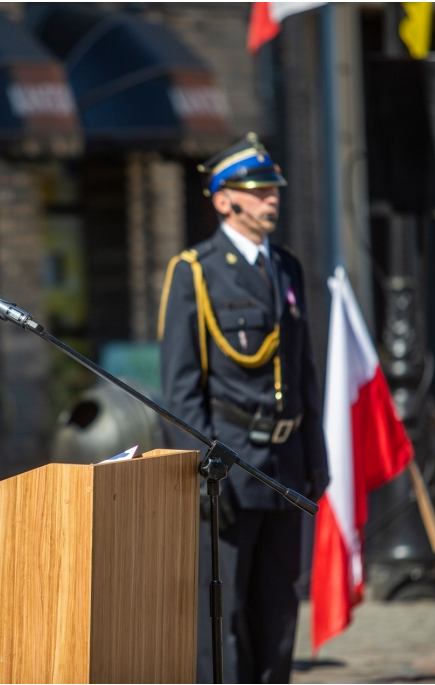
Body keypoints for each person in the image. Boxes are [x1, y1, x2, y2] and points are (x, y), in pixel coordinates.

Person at [158, 133, 329, 683]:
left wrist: (315, 460)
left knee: (278, 614)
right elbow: (181, 391)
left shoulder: (287, 268)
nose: (270, 199)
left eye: (273, 189)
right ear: (223, 199)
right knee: (225, 621)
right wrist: (206, 474)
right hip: (230, 469)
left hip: (285, 468)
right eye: (256, 191)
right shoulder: (196, 271)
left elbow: (303, 375)